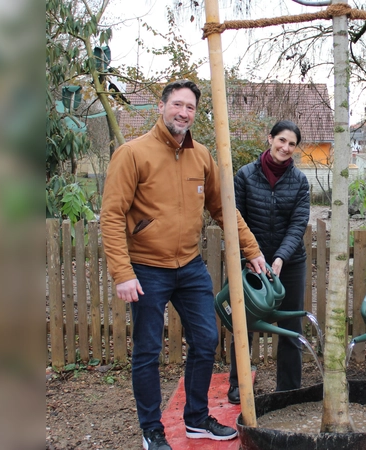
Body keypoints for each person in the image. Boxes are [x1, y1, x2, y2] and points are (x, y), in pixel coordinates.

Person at [101, 80, 267, 449]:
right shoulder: (132, 154)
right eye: (177, 104)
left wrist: (252, 250)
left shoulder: (201, 156)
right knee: (147, 350)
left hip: (189, 266)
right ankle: (151, 429)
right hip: (146, 267)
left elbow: (223, 207)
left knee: (206, 339)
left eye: (190, 107)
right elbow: (112, 216)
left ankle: (195, 420)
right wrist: (122, 273)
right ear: (162, 107)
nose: (183, 113)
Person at [227, 120, 311, 404]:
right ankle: (239, 384)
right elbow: (236, 219)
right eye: (282, 140)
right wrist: (250, 256)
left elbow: (299, 224)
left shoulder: (299, 182)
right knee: (244, 321)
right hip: (251, 261)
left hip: (289, 263)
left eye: (291, 144)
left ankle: (288, 389)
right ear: (270, 138)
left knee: (290, 326)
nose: (285, 148)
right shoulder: (245, 175)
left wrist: (280, 258)